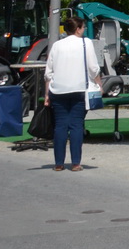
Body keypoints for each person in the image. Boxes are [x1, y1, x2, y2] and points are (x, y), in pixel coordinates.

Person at [44, 17, 102, 171]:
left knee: (60, 126)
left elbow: (48, 72)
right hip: (79, 89)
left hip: (58, 90)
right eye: (83, 28)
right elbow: (93, 68)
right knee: (76, 125)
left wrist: (47, 94)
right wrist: (99, 84)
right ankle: (75, 162)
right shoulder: (86, 43)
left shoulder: (56, 45)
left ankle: (59, 163)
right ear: (78, 29)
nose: (83, 30)